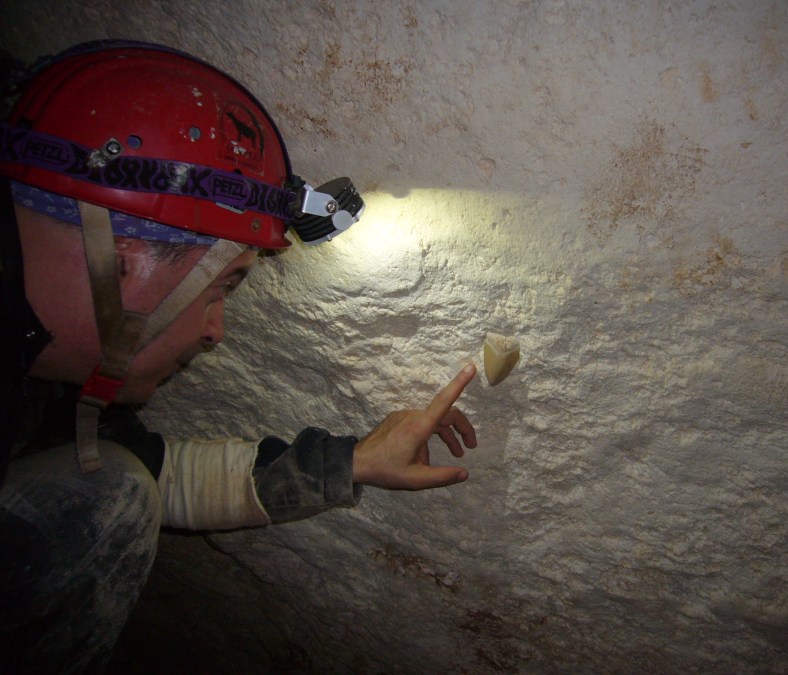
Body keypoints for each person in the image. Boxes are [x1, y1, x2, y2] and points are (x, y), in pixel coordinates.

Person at [0, 41, 478, 673]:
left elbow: (144, 475)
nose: (216, 331)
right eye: (222, 288)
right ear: (118, 262)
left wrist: (354, 461)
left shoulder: (43, 381)